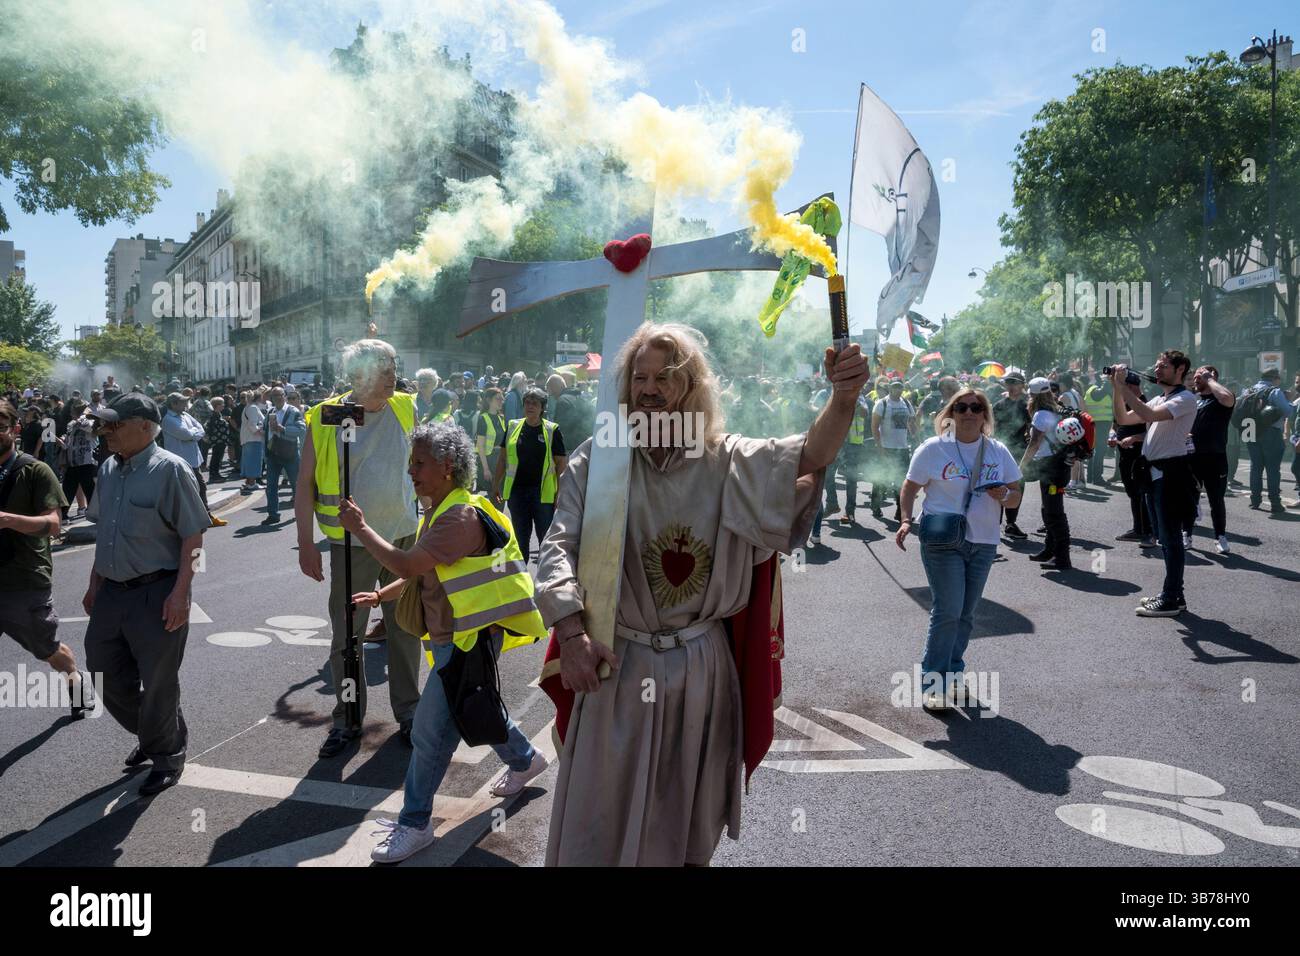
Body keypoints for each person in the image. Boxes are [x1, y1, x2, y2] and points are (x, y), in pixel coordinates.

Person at [536, 322, 865, 866]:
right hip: (619, 663)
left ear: (693, 388)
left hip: (702, 668)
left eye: (664, 377)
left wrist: (844, 397)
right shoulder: (601, 458)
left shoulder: (726, 458)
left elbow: (810, 453)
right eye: (638, 378)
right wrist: (570, 632)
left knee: (687, 817)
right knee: (598, 818)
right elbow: (558, 545)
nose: (648, 388)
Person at [339, 422, 549, 861]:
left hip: (468, 638)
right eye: (410, 463)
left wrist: (360, 528)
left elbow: (408, 562)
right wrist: (381, 594)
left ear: (448, 467)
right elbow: (425, 571)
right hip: (460, 637)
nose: (411, 472)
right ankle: (525, 759)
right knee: (474, 707)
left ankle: (415, 824)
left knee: (432, 734)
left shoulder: (458, 517)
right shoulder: (447, 507)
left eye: (419, 463)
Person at [297, 339, 422, 758]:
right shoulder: (328, 416)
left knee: (405, 629)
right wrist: (304, 544)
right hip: (352, 545)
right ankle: (348, 720)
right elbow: (305, 485)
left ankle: (410, 714)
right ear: (356, 377)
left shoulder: (405, 406)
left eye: (393, 366)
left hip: (403, 537)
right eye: (383, 369)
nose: (392, 375)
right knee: (348, 637)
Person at [84, 393, 210, 795]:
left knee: (158, 681)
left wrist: (181, 594)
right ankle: (156, 728)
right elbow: (104, 532)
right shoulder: (107, 468)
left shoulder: (171, 469)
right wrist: (93, 583)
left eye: (114, 424)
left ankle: (166, 754)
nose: (106, 431)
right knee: (103, 674)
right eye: (105, 424)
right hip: (111, 592)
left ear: (143, 425)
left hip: (156, 590)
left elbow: (193, 534)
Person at [895, 387, 1023, 710]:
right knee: (948, 609)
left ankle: (953, 675)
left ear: (984, 415)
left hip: (983, 541)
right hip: (943, 541)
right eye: (962, 407)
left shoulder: (998, 451)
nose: (969, 413)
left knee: (966, 613)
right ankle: (933, 684)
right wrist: (907, 520)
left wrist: (1004, 496)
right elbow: (910, 486)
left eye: (976, 407)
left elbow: (1017, 495)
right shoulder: (933, 449)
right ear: (951, 413)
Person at [0, 399, 95, 720]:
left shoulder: (34, 471)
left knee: (48, 650)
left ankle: (77, 682)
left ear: (13, 430)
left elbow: (53, 525)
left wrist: (7, 519)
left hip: (23, 580)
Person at [1110, 352, 1198, 616]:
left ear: (1180, 369)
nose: (1157, 369)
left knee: (1171, 540)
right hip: (1154, 475)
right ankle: (1173, 595)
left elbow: (1146, 412)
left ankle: (1172, 598)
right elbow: (1123, 419)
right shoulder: (1162, 398)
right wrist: (1116, 389)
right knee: (1164, 538)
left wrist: (1123, 386)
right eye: (1157, 365)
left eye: (1164, 366)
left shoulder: (1185, 398)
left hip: (1171, 475)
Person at [492, 387, 566, 562]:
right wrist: (495, 485)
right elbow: (502, 459)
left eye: (535, 403)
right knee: (520, 540)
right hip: (517, 494)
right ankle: (523, 579)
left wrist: (560, 494)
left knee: (545, 541)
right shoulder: (512, 426)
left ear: (542, 408)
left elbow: (561, 464)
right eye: (527, 403)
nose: (530, 406)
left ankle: (546, 581)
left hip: (542, 495)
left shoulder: (552, 430)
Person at [1019, 377, 1072, 569]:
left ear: (1033, 395)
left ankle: (1062, 557)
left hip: (1051, 468)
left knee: (1054, 512)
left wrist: (1023, 465)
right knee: (1048, 509)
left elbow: (1034, 443)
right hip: (1058, 465)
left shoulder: (1041, 415)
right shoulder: (1057, 409)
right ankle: (1050, 550)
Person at [1184, 365, 1235, 554]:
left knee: (1216, 500)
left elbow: (1227, 398)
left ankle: (1220, 537)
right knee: (1190, 498)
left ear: (1211, 377)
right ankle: (1186, 534)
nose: (1195, 379)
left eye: (1199, 376)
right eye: (1195, 375)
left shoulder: (1221, 399)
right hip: (1192, 458)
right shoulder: (1194, 400)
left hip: (1216, 458)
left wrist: (1210, 379)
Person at [162, 393, 226, 527]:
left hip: (193, 460)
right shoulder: (168, 419)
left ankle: (206, 518)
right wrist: (193, 433)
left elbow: (201, 428)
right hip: (180, 462)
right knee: (187, 492)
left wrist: (193, 434)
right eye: (182, 402)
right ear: (173, 404)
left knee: (200, 488)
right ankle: (191, 520)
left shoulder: (185, 415)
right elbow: (186, 435)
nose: (186, 405)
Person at [1240, 368, 1296, 513]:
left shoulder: (1248, 391)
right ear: (1274, 378)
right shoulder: (1274, 391)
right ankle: (1275, 503)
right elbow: (1288, 411)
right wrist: (1289, 400)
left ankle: (1255, 501)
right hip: (1270, 432)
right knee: (1272, 469)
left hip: (1250, 430)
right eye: (1279, 379)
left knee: (1255, 467)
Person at [1112, 390, 1155, 547]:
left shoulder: (1145, 403)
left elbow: (1153, 430)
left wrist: (1134, 438)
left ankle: (1149, 533)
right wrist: (1113, 436)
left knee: (1142, 494)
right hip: (1125, 456)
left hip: (1139, 457)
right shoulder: (1122, 402)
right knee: (1133, 494)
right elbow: (1115, 424)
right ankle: (1138, 529)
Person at [991, 371, 1030, 538]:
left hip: (1019, 450)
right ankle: (994, 525)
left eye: (1015, 382)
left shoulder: (1027, 404)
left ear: (1022, 384)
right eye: (1008, 382)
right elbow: (991, 427)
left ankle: (1011, 524)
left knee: (1017, 487)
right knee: (998, 486)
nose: (1011, 386)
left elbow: (1032, 426)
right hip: (1000, 449)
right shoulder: (999, 404)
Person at [872, 379, 916, 522]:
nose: (898, 389)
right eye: (895, 387)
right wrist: (880, 448)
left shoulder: (907, 403)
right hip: (886, 447)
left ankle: (900, 511)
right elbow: (874, 427)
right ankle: (876, 505)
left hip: (902, 448)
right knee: (881, 479)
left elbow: (912, 422)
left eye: (900, 387)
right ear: (890, 388)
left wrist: (916, 438)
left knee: (902, 481)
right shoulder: (882, 404)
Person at [262, 386, 305, 526]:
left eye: (279, 395)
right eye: (274, 396)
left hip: (290, 452)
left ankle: (301, 513)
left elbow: (301, 430)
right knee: (271, 486)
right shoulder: (270, 412)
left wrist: (283, 429)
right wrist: (266, 451)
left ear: (284, 396)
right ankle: (273, 514)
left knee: (296, 484)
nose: (277, 398)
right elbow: (265, 430)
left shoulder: (293, 411)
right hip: (273, 453)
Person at [59, 400, 98, 520]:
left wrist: (84, 414)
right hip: (72, 462)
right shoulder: (71, 424)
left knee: (89, 489)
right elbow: (68, 445)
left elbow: (88, 427)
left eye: (73, 411)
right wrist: (62, 440)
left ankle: (96, 514)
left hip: (86, 462)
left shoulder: (89, 421)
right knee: (67, 489)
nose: (71, 414)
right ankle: (62, 515)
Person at [1083, 375, 1113, 485]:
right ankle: (1097, 477)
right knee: (1100, 451)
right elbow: (1102, 394)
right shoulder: (1099, 391)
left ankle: (1091, 477)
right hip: (1101, 424)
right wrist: (1108, 382)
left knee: (1092, 450)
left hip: (1092, 423)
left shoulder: (1089, 390)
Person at [475, 388, 506, 490]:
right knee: (495, 495)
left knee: (500, 495)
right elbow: (480, 445)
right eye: (498, 399)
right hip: (490, 460)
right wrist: (486, 469)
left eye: (502, 399)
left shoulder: (501, 418)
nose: (501, 401)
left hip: (500, 458)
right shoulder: (483, 418)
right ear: (489, 400)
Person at [238, 390, 265, 494]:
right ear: (258, 398)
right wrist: (261, 432)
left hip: (248, 438)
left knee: (249, 460)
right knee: (253, 461)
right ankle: (251, 483)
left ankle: (249, 482)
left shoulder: (248, 407)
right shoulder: (253, 408)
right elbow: (252, 424)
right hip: (253, 438)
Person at [205, 396, 231, 482]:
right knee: (216, 457)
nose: (223, 405)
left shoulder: (218, 414)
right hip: (217, 440)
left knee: (218, 457)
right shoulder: (213, 415)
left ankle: (216, 474)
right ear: (217, 405)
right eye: (221, 404)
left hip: (221, 439)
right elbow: (211, 427)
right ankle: (213, 475)